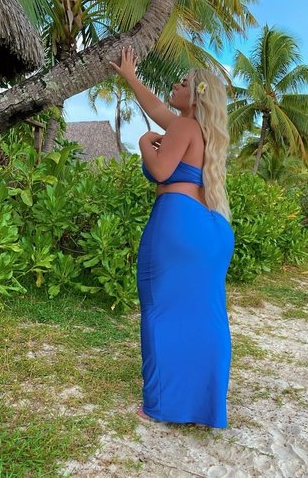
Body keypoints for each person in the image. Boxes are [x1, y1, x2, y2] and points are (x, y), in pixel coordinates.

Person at [109, 46, 235, 428]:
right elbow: (156, 107)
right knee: (204, 313)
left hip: (178, 223)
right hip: (211, 229)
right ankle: (205, 406)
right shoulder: (200, 130)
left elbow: (162, 171)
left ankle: (160, 405)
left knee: (160, 309)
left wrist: (144, 144)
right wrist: (131, 78)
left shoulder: (182, 127)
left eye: (182, 83)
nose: (174, 86)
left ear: (195, 96)